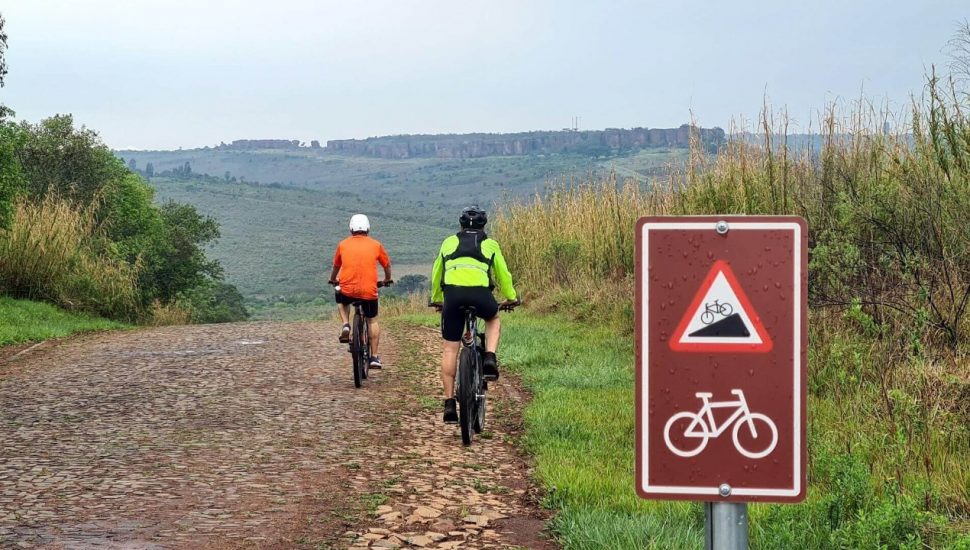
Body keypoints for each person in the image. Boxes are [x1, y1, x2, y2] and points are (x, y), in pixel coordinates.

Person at [430, 206, 518, 424]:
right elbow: (503, 274)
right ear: (484, 226)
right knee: (493, 318)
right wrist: (511, 297)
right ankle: (489, 357)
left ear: (460, 225)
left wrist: (437, 298)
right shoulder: (490, 244)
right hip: (480, 295)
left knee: (450, 348)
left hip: (453, 296)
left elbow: (437, 272)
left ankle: (449, 403)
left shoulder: (449, 242)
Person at [329, 214, 392, 369]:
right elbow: (387, 265)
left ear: (351, 228)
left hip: (347, 289)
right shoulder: (376, 245)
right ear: (367, 228)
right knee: (372, 320)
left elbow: (336, 266)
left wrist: (333, 279)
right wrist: (387, 279)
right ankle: (374, 357)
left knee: (341, 300)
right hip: (368, 291)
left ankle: (345, 324)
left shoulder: (343, 244)